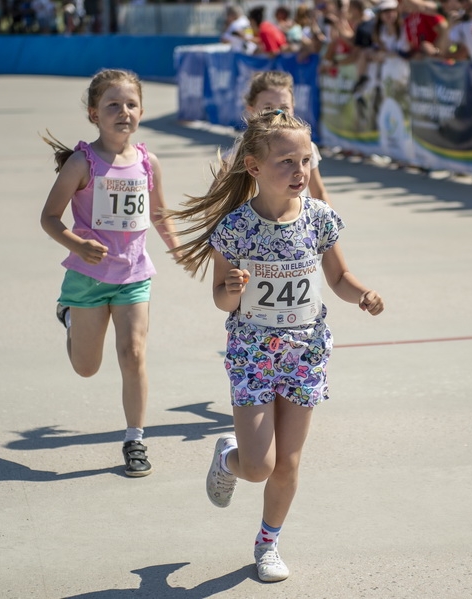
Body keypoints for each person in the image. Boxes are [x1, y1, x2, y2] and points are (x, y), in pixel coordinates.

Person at [167, 109, 384, 583]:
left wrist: (362, 293)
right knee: (258, 465)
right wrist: (233, 286)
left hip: (306, 352)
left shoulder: (320, 219)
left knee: (287, 462)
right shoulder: (235, 227)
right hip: (253, 354)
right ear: (255, 167)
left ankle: (268, 542)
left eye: (306, 160)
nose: (299, 171)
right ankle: (229, 458)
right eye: (286, 161)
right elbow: (222, 300)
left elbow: (340, 278)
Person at [39, 69, 182, 478]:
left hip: (134, 275)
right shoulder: (81, 163)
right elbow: (49, 217)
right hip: (87, 278)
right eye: (112, 105)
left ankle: (135, 439)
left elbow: (157, 214)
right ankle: (69, 316)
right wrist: (77, 244)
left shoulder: (147, 162)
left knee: (133, 353)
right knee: (87, 367)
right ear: (93, 114)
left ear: (142, 111)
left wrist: (181, 249)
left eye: (131, 104)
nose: (123, 112)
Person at [240, 71, 332, 206]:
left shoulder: (307, 147)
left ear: (293, 108)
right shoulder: (241, 151)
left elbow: (318, 192)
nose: (277, 113)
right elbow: (220, 201)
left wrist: (329, 224)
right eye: (268, 108)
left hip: (300, 224)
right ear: (251, 109)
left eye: (284, 108)